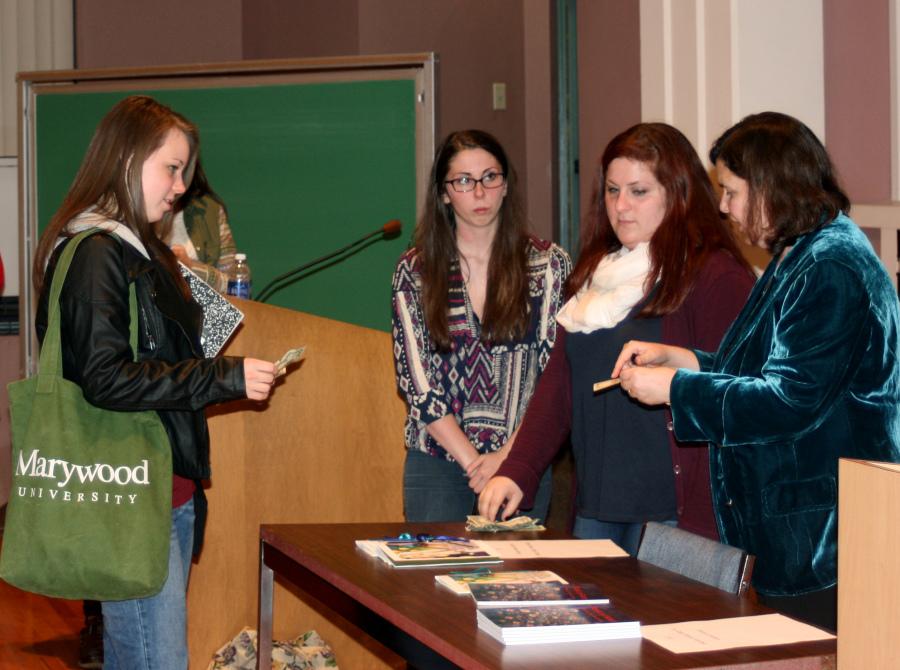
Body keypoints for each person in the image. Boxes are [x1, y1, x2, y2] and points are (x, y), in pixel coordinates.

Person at [612, 111, 900, 631]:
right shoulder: (803, 252)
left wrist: (679, 391)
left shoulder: (830, 266)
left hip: (822, 536)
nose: (723, 207)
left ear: (771, 187)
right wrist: (688, 361)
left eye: (732, 191)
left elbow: (788, 401)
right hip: (795, 529)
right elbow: (767, 368)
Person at [32, 95, 278, 669]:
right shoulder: (97, 251)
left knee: (137, 656)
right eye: (171, 168)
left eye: (185, 171)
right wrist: (227, 377)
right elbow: (106, 378)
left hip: (164, 488)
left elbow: (172, 341)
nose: (181, 186)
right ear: (126, 158)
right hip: (135, 493)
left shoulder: (141, 247)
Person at [478, 123, 755, 554]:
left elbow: (740, 392)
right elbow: (558, 390)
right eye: (612, 190)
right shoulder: (595, 273)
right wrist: (518, 469)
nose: (621, 206)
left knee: (666, 625)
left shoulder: (716, 276)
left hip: (676, 516)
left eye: (638, 191)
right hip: (598, 509)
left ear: (677, 194)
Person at [392, 129, 571, 522]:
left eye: (490, 177)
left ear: (505, 186)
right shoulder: (415, 270)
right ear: (444, 193)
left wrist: (507, 458)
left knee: (518, 584)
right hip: (437, 460)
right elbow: (417, 383)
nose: (479, 192)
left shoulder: (547, 264)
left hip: (522, 460)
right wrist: (476, 463)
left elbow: (552, 375)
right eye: (463, 181)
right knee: (432, 582)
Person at [163, 159, 237, 294]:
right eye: (172, 168)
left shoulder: (209, 210)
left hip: (202, 312)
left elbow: (235, 284)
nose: (179, 184)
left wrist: (190, 267)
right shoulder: (136, 213)